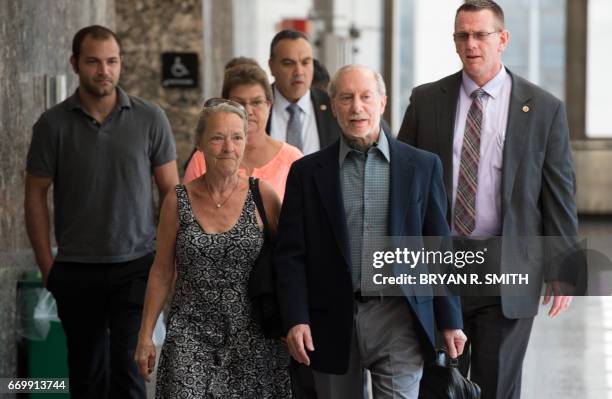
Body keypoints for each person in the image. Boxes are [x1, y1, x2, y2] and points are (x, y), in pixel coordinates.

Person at [397, 1, 579, 398]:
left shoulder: (543, 108)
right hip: (443, 267)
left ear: (503, 39)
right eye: (463, 35)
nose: (471, 44)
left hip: (508, 270)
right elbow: (402, 185)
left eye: (480, 35)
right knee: (440, 383)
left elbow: (559, 193)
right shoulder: (427, 101)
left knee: (497, 386)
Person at [275, 64, 467, 399]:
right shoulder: (307, 173)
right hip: (331, 319)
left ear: (382, 102)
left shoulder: (422, 166)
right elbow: (292, 254)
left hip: (399, 317)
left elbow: (439, 248)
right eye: (346, 98)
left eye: (366, 97)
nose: (356, 107)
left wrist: (450, 319)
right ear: (333, 106)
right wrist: (296, 318)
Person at [24, 25, 178, 399]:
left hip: (136, 265)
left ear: (121, 64)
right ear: (75, 63)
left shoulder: (150, 118)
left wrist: (166, 262)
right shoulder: (52, 124)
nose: (103, 70)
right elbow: (34, 196)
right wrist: (48, 267)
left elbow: (172, 195)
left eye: (111, 61)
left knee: (130, 371)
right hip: (76, 268)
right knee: (86, 375)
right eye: (93, 61)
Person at [135, 99, 291, 398]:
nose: (228, 147)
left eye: (237, 137)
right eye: (217, 138)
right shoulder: (177, 201)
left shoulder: (264, 196)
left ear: (245, 141)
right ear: (200, 143)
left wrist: (294, 322)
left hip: (254, 336)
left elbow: (288, 263)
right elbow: (162, 271)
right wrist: (145, 336)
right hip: (190, 333)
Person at [184, 64, 303, 200]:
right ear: (224, 106)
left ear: (269, 106)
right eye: (238, 103)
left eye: (256, 102)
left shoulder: (292, 160)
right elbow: (186, 211)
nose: (248, 111)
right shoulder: (203, 158)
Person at [267, 29, 341, 155]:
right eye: (288, 63)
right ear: (271, 66)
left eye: (305, 62)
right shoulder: (255, 107)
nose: (299, 72)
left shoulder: (334, 108)